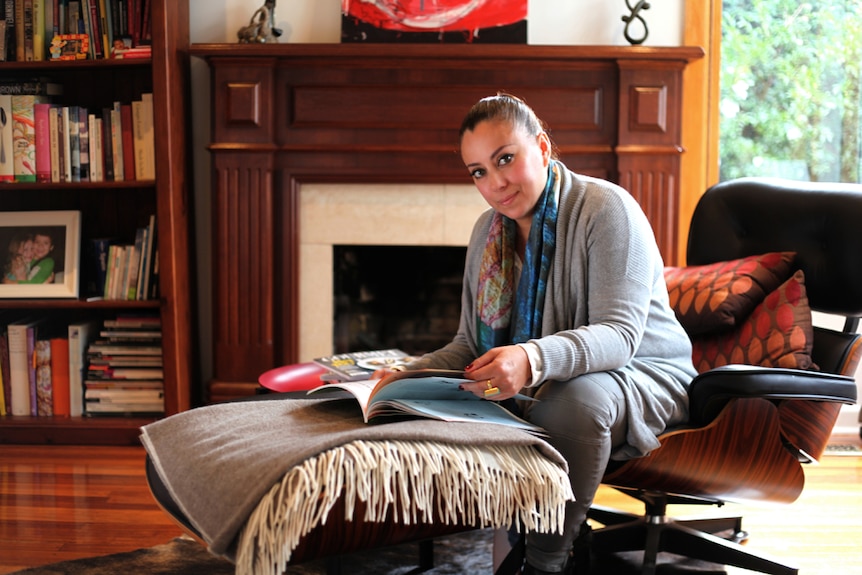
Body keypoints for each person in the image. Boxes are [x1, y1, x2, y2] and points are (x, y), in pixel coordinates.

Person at [384, 94, 697, 574]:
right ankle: (496, 529)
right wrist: (407, 375)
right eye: (478, 172)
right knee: (425, 394)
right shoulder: (487, 233)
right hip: (550, 377)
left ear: (544, 148)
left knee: (573, 400)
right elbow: (471, 345)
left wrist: (529, 359)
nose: (496, 183)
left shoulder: (607, 208)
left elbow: (619, 336)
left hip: (642, 375)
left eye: (505, 159)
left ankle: (548, 560)